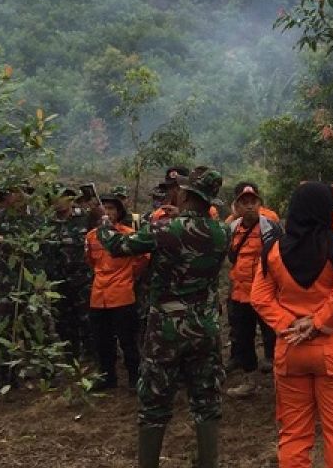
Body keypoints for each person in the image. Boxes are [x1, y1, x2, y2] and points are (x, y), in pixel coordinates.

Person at [95, 170, 228, 468]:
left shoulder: (164, 229)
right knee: (206, 400)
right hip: (204, 326)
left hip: (165, 329)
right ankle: (208, 462)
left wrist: (104, 225)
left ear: (186, 194)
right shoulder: (222, 232)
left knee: (154, 401)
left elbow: (118, 247)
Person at [251, 181, 333, 468]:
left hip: (291, 349)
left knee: (294, 434)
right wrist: (318, 322)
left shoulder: (272, 250)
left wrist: (290, 325)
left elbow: (260, 298)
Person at [0, 179, 44, 397]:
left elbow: (37, 247)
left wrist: (7, 242)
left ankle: (40, 372)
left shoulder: (37, 219)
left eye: (21, 192)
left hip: (29, 284)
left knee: (34, 328)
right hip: (1, 285)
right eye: (12, 193)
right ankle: (4, 374)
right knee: (2, 330)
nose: (16, 197)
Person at [224, 182, 282, 399]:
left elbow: (279, 257)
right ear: (237, 205)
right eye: (244, 202)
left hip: (266, 294)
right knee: (243, 338)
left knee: (274, 336)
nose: (249, 206)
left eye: (253, 202)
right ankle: (250, 381)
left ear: (260, 204)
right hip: (240, 294)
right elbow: (230, 256)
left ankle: (282, 379)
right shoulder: (231, 227)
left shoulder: (271, 227)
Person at [85, 193, 147, 391]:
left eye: (112, 209)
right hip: (98, 295)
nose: (108, 213)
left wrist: (127, 277)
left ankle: (134, 378)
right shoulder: (92, 236)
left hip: (122, 294)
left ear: (119, 212)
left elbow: (142, 260)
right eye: (105, 209)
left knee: (128, 340)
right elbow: (90, 261)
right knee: (102, 341)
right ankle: (107, 377)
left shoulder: (129, 234)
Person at [45, 183, 95, 363]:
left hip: (83, 279)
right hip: (58, 281)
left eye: (62, 197)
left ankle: (90, 355)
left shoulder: (85, 218)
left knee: (87, 319)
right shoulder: (47, 224)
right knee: (63, 321)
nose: (58, 201)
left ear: (70, 198)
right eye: (54, 198)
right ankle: (69, 357)